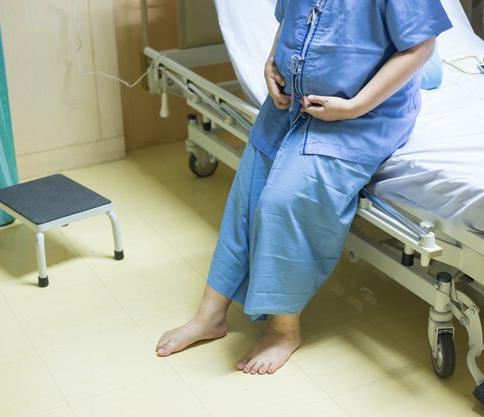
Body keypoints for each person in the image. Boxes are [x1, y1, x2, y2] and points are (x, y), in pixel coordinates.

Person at [156, 0, 452, 375]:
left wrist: (355, 107)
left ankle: (283, 330)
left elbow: (420, 46)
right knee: (249, 192)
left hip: (363, 117)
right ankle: (210, 315)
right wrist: (270, 63)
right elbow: (290, 21)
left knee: (284, 201)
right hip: (290, 103)